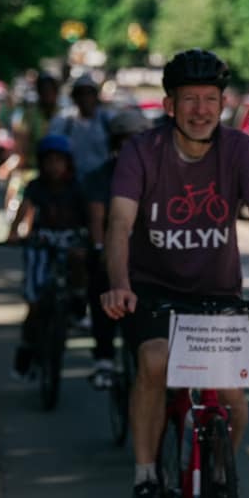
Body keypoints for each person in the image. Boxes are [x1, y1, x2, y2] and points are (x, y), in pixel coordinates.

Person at [100, 48, 249, 498]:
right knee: (154, 362)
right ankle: (145, 479)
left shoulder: (239, 150)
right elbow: (118, 224)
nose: (200, 109)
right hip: (152, 289)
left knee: (232, 399)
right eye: (189, 99)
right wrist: (119, 285)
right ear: (169, 106)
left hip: (218, 293)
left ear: (222, 103)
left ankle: (220, 475)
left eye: (210, 99)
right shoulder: (143, 151)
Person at [7, 134, 89, 379]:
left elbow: (88, 215)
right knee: (34, 302)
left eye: (59, 161)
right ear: (41, 163)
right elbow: (25, 209)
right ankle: (26, 349)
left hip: (70, 239)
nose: (54, 166)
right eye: (49, 161)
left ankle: (77, 302)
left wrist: (90, 238)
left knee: (79, 260)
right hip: (41, 242)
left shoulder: (77, 186)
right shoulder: (35, 186)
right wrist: (13, 233)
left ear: (68, 163)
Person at [83, 109, 153, 389]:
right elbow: (97, 216)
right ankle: (103, 358)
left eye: (139, 140)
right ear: (115, 143)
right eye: (126, 140)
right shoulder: (101, 176)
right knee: (102, 284)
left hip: (150, 254)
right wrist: (102, 248)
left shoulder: (159, 172)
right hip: (113, 248)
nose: (132, 147)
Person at [1, 72, 62, 221]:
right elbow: (22, 144)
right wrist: (21, 164)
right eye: (44, 91)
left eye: (51, 91)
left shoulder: (64, 114)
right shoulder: (29, 115)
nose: (48, 95)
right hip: (33, 168)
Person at [49, 73, 112, 183]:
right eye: (80, 94)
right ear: (74, 97)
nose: (85, 98)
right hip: (73, 183)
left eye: (89, 93)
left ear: (95, 96)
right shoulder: (65, 121)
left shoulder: (107, 120)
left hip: (103, 183)